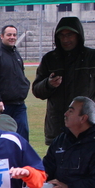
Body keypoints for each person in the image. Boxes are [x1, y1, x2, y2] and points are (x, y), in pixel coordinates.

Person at [32, 16, 95, 145]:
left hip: (86, 125)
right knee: (56, 163)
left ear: (78, 35)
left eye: (69, 35)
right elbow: (36, 90)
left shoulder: (92, 58)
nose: (65, 39)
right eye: (62, 35)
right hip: (57, 125)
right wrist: (48, 84)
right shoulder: (50, 59)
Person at [0, 25, 31, 140]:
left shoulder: (17, 55)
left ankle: (22, 158)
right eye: (9, 35)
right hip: (3, 106)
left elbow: (21, 76)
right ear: (2, 36)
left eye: (14, 35)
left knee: (23, 136)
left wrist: (24, 87)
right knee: (3, 139)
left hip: (19, 105)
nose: (12, 37)